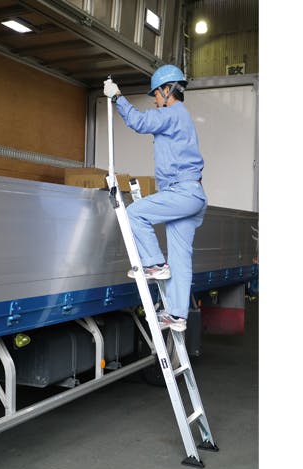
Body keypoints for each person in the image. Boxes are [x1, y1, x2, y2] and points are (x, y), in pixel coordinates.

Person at [103, 64, 207, 332]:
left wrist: (117, 97)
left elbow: (138, 122)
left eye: (157, 94)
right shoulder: (181, 117)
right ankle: (177, 315)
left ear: (168, 90)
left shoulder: (172, 113)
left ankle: (154, 263)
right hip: (192, 195)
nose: (155, 100)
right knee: (180, 257)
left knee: (134, 213)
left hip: (181, 192)